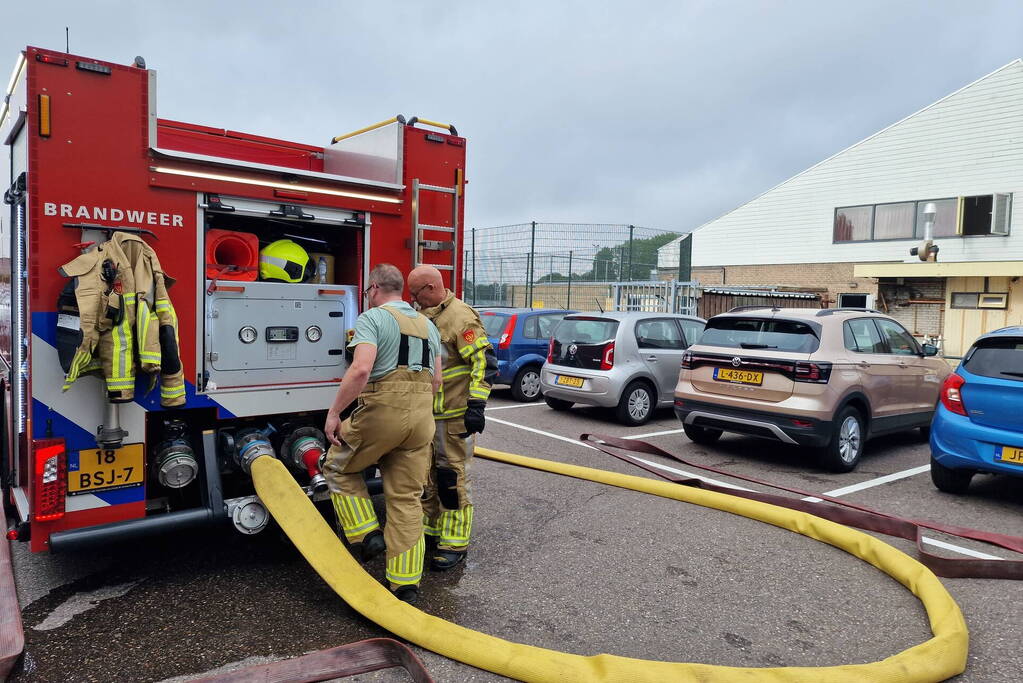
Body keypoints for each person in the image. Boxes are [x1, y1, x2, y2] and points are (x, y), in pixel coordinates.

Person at [322, 263, 442, 604]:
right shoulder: (428, 326)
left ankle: (366, 535)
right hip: (422, 417)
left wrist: (334, 413)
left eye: (367, 292)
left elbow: (361, 369)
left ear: (374, 289)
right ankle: (405, 587)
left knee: (337, 467)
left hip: (383, 410)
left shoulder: (371, 319)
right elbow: (437, 381)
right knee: (405, 497)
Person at [407, 265, 497, 570]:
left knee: (451, 477)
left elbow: (484, 363)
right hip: (429, 415)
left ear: (431, 288)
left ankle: (454, 543)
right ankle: (433, 531)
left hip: (455, 416)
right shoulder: (427, 316)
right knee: (428, 475)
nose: (413, 300)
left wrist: (476, 406)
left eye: (416, 294)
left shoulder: (460, 317)